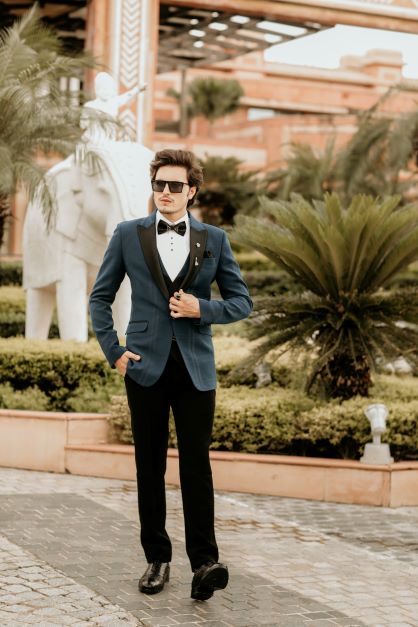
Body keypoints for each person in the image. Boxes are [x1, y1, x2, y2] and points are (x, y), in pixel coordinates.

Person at [89, 148, 252, 601]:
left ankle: (205, 564)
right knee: (149, 466)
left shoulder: (214, 238)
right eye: (159, 184)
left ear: (191, 191)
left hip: (196, 367)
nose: (165, 191)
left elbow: (242, 302)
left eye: (174, 185)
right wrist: (114, 352)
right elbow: (100, 297)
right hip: (143, 366)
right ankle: (157, 559)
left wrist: (203, 308)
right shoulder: (128, 234)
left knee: (196, 466)